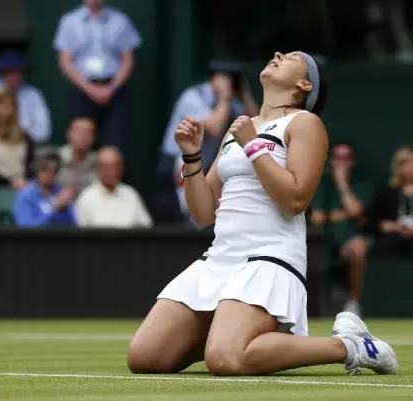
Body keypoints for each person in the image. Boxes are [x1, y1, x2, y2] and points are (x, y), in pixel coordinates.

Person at [127, 51, 397, 376]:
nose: (278, 54)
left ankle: (352, 346)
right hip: (220, 259)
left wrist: (254, 146)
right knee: (145, 357)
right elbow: (202, 213)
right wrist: (192, 156)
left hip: (269, 258)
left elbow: (295, 199)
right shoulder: (239, 129)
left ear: (304, 83)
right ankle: (238, 335)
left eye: (292, 57)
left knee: (225, 359)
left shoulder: (305, 123)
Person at [53, 0, 141, 154]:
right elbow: (65, 62)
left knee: (116, 144)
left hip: (113, 90)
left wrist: (111, 88)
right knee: (82, 142)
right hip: (82, 89)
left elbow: (128, 60)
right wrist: (89, 88)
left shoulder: (120, 21)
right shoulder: (70, 21)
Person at [160, 62, 260, 174]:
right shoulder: (193, 96)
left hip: (203, 164)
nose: (231, 83)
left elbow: (255, 121)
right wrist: (224, 96)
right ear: (215, 77)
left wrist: (245, 93)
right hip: (178, 163)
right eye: (227, 78)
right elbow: (214, 129)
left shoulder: (230, 102)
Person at [311, 141, 373, 316]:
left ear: (352, 161)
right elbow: (315, 217)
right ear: (331, 160)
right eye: (338, 158)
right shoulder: (320, 182)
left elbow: (355, 209)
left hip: (349, 240)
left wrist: (342, 184)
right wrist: (346, 214)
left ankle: (354, 303)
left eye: (346, 158)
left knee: (358, 248)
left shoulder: (361, 183)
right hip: (320, 241)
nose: (342, 162)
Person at [0, 51, 51, 144]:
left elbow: (44, 132)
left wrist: (19, 134)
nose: (13, 76)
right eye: (9, 72)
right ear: (3, 73)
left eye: (17, 72)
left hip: (26, 147)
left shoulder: (33, 94)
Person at [76, 146, 151, 228]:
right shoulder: (86, 198)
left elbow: (146, 226)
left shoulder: (130, 194)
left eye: (117, 166)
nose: (113, 172)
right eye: (108, 167)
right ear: (98, 169)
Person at [367, 144, 413, 258]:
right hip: (393, 238)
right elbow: (371, 220)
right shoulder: (386, 192)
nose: (409, 167)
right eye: (405, 163)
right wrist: (390, 226)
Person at [13, 153, 76, 227]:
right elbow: (25, 228)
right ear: (37, 171)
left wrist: (64, 210)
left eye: (54, 170)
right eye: (44, 169)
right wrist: (54, 210)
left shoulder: (62, 194)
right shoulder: (25, 195)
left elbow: (72, 225)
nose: (49, 173)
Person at [57, 116, 97, 194]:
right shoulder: (56, 159)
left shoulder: (100, 162)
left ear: (94, 137)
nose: (83, 136)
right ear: (68, 134)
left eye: (88, 132)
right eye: (78, 131)